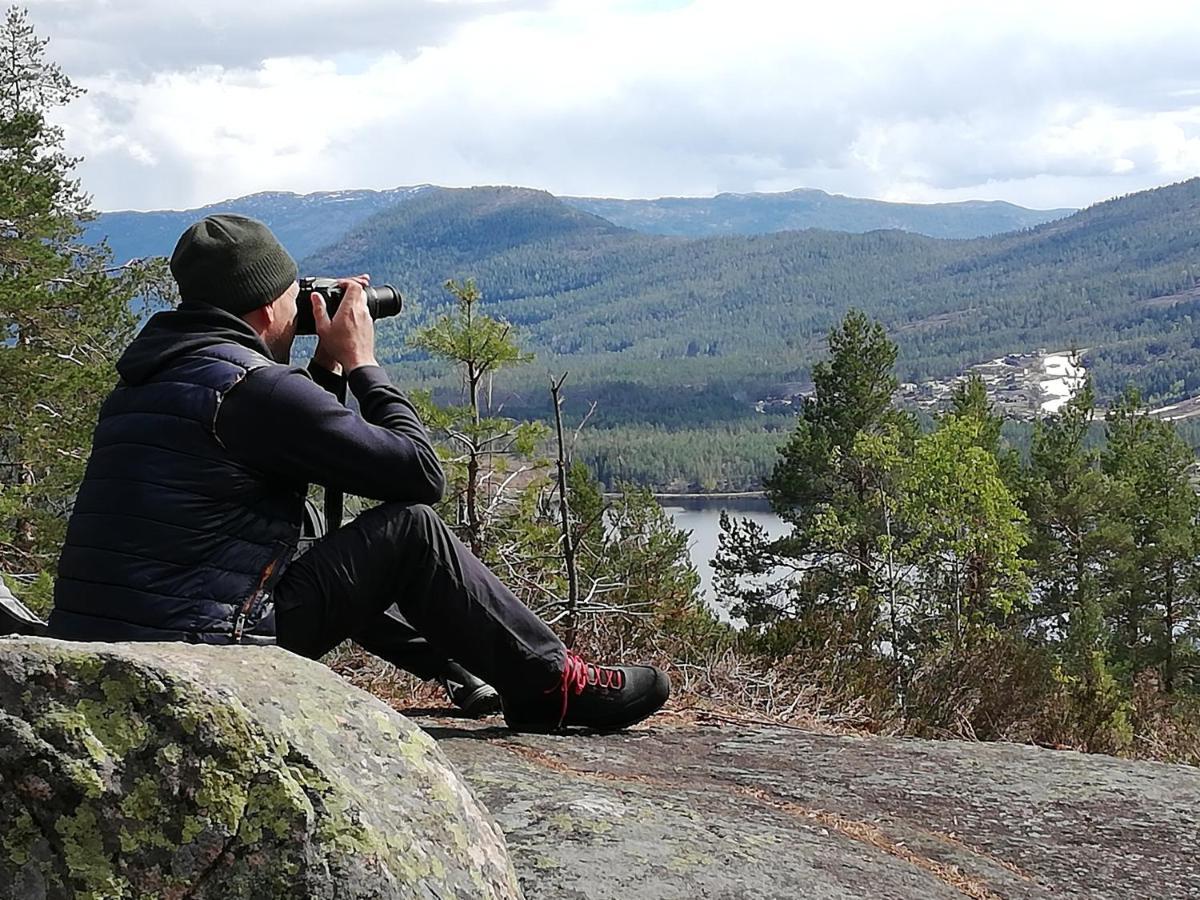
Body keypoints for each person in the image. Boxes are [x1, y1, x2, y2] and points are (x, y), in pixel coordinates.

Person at [47, 214, 670, 733]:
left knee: (317, 536)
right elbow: (420, 476)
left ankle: (465, 670)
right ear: (268, 310)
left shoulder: (159, 375)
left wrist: (323, 371)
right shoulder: (250, 386)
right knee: (410, 531)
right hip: (206, 657)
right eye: (296, 296)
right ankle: (553, 688)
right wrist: (365, 365)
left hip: (105, 655)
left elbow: (277, 450)